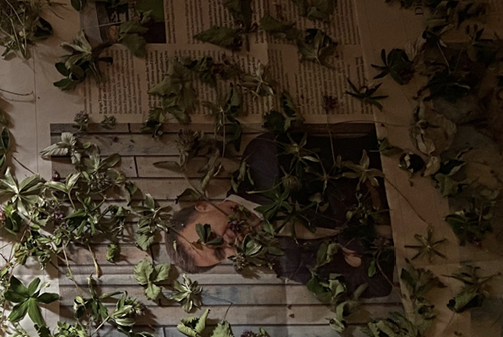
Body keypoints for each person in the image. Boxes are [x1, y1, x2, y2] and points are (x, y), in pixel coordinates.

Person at [166, 127, 394, 298]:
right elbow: (376, 286)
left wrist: (354, 245)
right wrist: (358, 256)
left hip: (398, 171)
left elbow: (345, 178)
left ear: (203, 206)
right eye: (219, 253)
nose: (227, 242)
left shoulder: (263, 161)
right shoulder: (283, 261)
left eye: (210, 235)